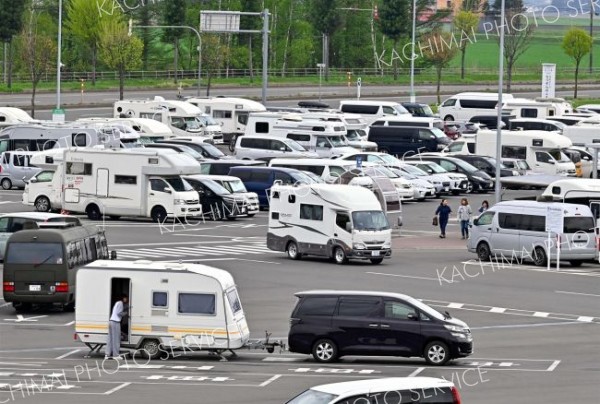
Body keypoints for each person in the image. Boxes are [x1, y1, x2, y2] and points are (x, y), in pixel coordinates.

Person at [106, 294, 128, 360]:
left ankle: (107, 354)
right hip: (116, 322)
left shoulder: (117, 303)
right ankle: (115, 355)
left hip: (111, 321)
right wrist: (126, 313)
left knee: (110, 339)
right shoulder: (121, 303)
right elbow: (119, 313)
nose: (126, 299)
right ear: (123, 298)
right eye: (126, 298)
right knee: (116, 339)